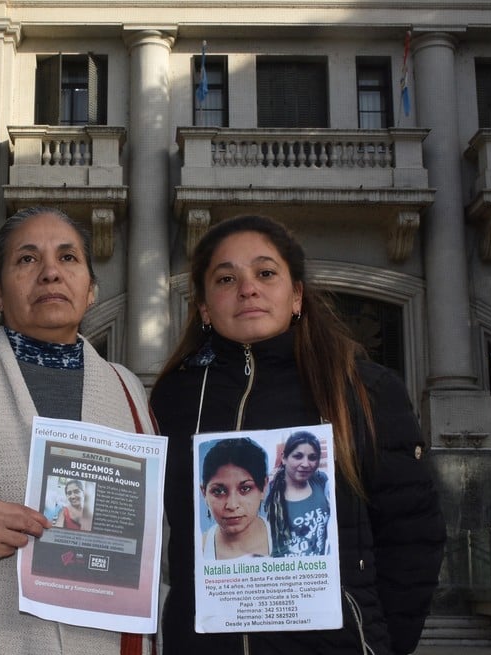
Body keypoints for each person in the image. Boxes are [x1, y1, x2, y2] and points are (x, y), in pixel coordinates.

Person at [151, 215, 446, 655]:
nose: (248, 288)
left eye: (266, 273)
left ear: (296, 296)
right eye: (226, 278)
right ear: (205, 308)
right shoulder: (175, 398)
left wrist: (378, 642)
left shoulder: (362, 389)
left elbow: (413, 534)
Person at [0, 207, 156, 654]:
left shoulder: (129, 391)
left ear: (91, 291)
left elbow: (155, 536)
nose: (51, 273)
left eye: (68, 258)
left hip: (108, 642)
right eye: (28, 259)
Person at [200, 438, 271, 559]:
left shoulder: (287, 540)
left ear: (264, 487)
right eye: (218, 491)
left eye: (245, 489)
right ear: (204, 493)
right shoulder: (199, 550)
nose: (232, 505)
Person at [264, 431, 331, 557]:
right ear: (284, 458)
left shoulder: (321, 481)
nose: (305, 464)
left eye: (312, 457)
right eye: (298, 456)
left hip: (320, 568)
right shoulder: (267, 495)